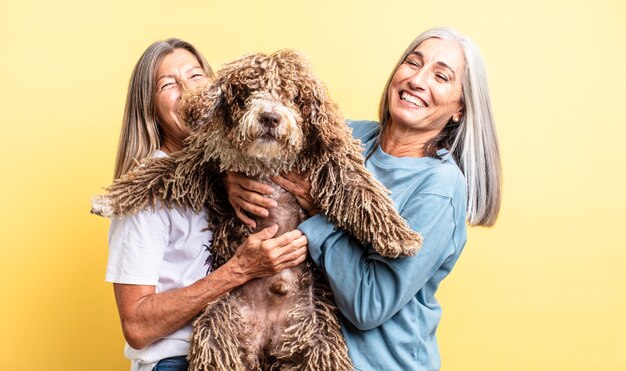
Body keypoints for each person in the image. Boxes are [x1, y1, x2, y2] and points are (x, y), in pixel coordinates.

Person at [225, 27, 502, 370]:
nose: (417, 80)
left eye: (440, 76)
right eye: (412, 63)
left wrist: (316, 210)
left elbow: (368, 306)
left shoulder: (440, 186)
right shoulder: (349, 137)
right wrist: (232, 178)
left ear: (459, 108)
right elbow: (258, 142)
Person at [105, 38, 308, 371]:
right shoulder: (147, 191)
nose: (188, 90)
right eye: (168, 84)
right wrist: (239, 270)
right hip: (178, 360)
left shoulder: (232, 170)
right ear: (150, 108)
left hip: (241, 357)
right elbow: (137, 328)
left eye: (196, 76)